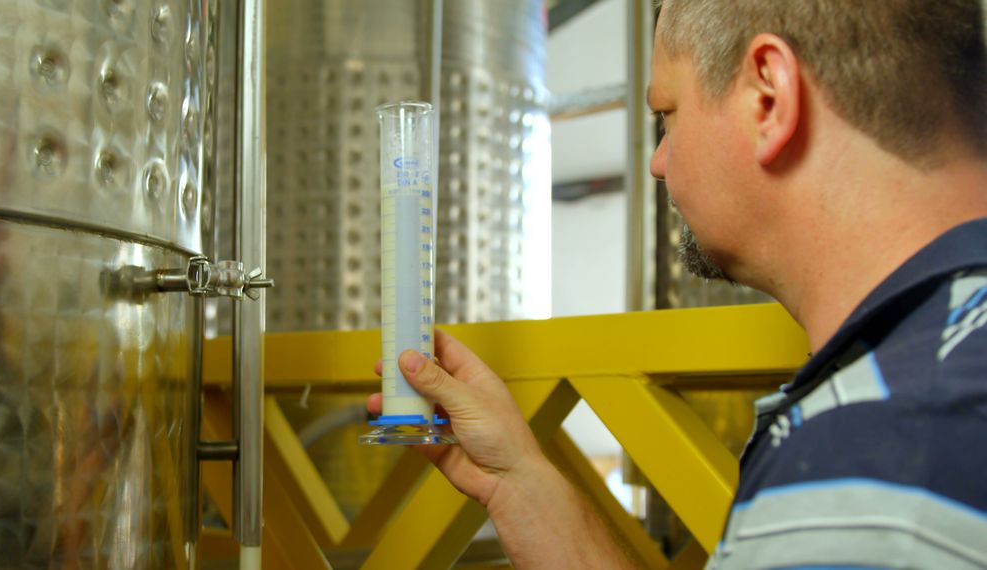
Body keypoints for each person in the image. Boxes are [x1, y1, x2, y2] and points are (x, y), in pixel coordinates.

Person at [368, 0, 987, 567]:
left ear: (768, 97)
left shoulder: (873, 461)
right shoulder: (930, 374)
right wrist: (517, 481)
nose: (658, 163)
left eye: (667, 113)